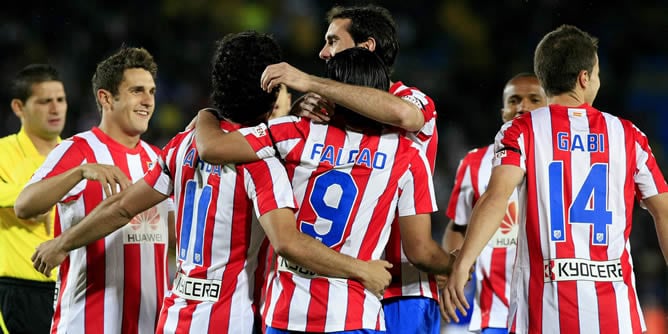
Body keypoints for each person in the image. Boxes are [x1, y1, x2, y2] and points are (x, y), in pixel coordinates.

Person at [29, 32, 393, 334]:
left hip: (176, 315)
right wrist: (361, 269)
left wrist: (63, 242)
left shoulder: (181, 145)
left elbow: (122, 206)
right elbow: (287, 242)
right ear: (270, 91)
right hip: (231, 317)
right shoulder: (261, 160)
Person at [195, 46, 454, 333]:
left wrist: (208, 113)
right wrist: (453, 265)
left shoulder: (294, 132)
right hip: (354, 314)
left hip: (285, 312)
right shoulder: (406, 154)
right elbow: (420, 252)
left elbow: (212, 148)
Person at [442, 24, 668, 334]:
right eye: (597, 73)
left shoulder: (520, 130)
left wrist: (463, 262)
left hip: (543, 312)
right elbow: (663, 210)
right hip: (616, 316)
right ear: (584, 78)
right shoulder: (629, 136)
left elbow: (496, 197)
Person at [288, 6, 441, 333]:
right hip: (329, 287)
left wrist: (308, 82)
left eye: (332, 41)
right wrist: (297, 113)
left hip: (402, 288)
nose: (323, 52)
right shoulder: (327, 108)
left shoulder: (410, 99)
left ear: (366, 47)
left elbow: (406, 118)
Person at [15, 47, 175, 333]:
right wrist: (80, 172)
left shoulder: (158, 159)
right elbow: (25, 205)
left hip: (150, 324)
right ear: (105, 98)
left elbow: (173, 236)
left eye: (151, 92)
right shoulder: (79, 150)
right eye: (137, 91)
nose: (148, 101)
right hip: (86, 322)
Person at [442, 73, 546, 333]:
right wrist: (457, 264)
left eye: (534, 99)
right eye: (514, 100)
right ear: (503, 111)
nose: (522, 107)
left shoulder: (566, 160)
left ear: (550, 108)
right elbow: (458, 227)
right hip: (496, 314)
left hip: (552, 309)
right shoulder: (475, 163)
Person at [0, 64, 67, 334]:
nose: (55, 108)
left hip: (70, 288)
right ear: (19, 107)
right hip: (19, 290)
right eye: (44, 101)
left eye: (60, 100)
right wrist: (37, 197)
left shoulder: (77, 154)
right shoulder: (4, 153)